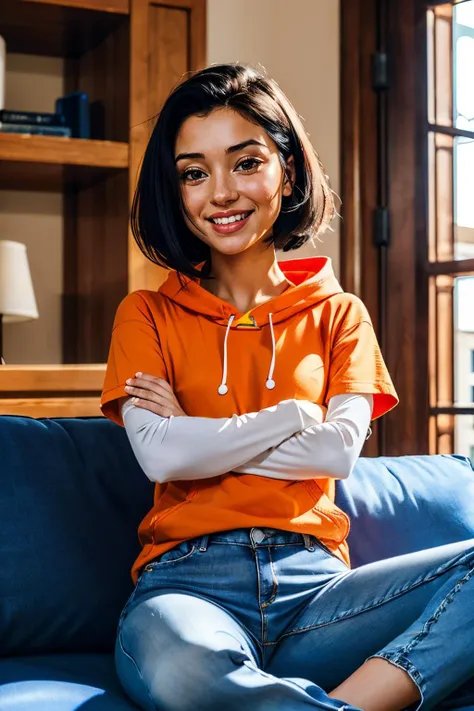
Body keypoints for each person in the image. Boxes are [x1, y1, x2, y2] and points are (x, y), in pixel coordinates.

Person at [100, 63, 474, 711]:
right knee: (185, 666)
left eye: (245, 162)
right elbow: (160, 457)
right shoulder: (146, 314)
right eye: (194, 172)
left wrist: (196, 433)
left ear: (289, 169)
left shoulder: (340, 314)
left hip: (318, 593)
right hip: (188, 588)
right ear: (177, 188)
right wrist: (291, 416)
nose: (220, 192)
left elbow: (334, 454)